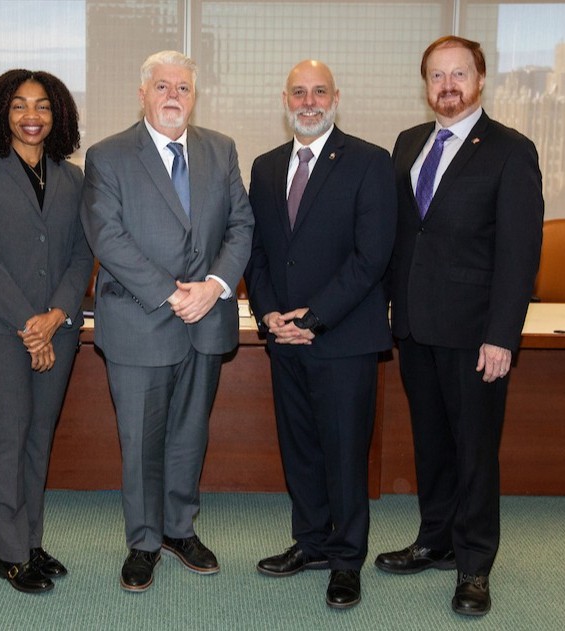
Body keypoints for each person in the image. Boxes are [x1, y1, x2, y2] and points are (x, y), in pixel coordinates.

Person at [374, 36, 543, 616]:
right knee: (433, 444)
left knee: (475, 449)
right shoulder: (409, 143)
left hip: (476, 334)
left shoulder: (509, 150)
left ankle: (474, 565)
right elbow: (403, 235)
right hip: (416, 326)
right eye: (437, 76)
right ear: (426, 85)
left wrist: (503, 335)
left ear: (480, 79)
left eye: (459, 74)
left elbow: (521, 253)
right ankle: (435, 539)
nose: (448, 85)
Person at [81, 50, 253, 592]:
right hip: (140, 319)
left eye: (182, 86)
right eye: (161, 86)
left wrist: (215, 286)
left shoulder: (219, 150)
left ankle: (180, 529)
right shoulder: (108, 156)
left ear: (194, 95)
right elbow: (107, 236)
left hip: (207, 317)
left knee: (188, 435)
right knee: (140, 439)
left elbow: (242, 225)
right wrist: (170, 294)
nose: (173, 95)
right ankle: (143, 541)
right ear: (142, 93)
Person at [244, 60, 396, 609]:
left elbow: (372, 255)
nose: (309, 101)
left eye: (319, 92)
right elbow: (257, 252)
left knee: (344, 452)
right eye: (299, 92)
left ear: (336, 97)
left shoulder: (369, 161)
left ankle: (346, 559)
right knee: (301, 448)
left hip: (343, 339)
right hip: (284, 338)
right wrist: (269, 316)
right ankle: (309, 543)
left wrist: (314, 318)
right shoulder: (264, 167)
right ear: (284, 99)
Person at [0, 69, 93, 594]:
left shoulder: (73, 177)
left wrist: (56, 317)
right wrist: (28, 326)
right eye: (19, 105)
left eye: (42, 106)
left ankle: (32, 541)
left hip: (57, 330)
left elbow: (82, 255)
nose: (31, 116)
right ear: (2, 113)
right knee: (8, 437)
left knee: (38, 439)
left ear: (57, 115)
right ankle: (9, 553)